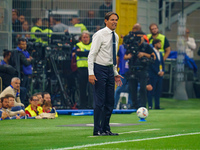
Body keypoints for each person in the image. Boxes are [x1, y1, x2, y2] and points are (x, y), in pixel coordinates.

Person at [88, 12, 123, 136]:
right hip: (99, 69)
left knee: (110, 101)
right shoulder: (99, 35)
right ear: (106, 21)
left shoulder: (116, 36)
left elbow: (112, 56)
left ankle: (106, 129)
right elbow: (92, 54)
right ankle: (97, 129)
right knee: (100, 101)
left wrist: (115, 73)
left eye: (116, 20)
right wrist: (91, 73)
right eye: (112, 19)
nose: (115, 22)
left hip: (109, 70)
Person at [124, 31, 155, 109]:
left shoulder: (146, 46)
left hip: (143, 69)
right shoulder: (132, 46)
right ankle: (134, 105)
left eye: (141, 37)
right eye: (138, 37)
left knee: (142, 88)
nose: (139, 39)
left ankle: (143, 106)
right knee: (132, 88)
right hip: (133, 68)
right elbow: (125, 56)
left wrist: (144, 54)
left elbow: (153, 57)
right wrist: (129, 56)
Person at [72, 31, 93, 109]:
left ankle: (91, 105)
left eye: (86, 37)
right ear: (81, 38)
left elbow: (93, 53)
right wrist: (88, 52)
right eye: (83, 37)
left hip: (91, 70)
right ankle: (83, 106)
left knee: (91, 89)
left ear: (89, 38)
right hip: (81, 69)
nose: (85, 39)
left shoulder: (92, 45)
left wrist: (83, 52)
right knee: (82, 88)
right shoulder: (78, 45)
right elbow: (78, 54)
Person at [147, 39, 165, 109]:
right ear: (155, 44)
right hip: (153, 75)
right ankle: (150, 105)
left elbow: (162, 63)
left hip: (159, 75)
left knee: (158, 91)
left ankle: (157, 105)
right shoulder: (152, 52)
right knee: (151, 90)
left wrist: (163, 71)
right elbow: (151, 64)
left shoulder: (160, 53)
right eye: (159, 43)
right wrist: (157, 72)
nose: (160, 45)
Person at [114, 43, 132, 109]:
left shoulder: (134, 48)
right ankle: (114, 105)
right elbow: (118, 58)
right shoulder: (121, 47)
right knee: (118, 90)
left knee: (131, 89)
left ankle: (130, 105)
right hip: (123, 72)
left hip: (132, 72)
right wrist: (116, 69)